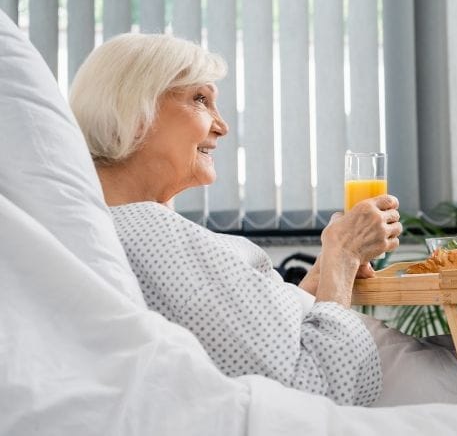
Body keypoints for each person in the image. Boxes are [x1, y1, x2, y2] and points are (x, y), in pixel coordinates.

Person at [69, 34, 403, 406]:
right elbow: (319, 390)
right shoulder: (152, 232)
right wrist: (343, 255)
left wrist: (322, 277)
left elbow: (254, 337)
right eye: (200, 99)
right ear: (133, 114)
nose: (222, 126)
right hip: (390, 384)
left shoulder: (127, 228)